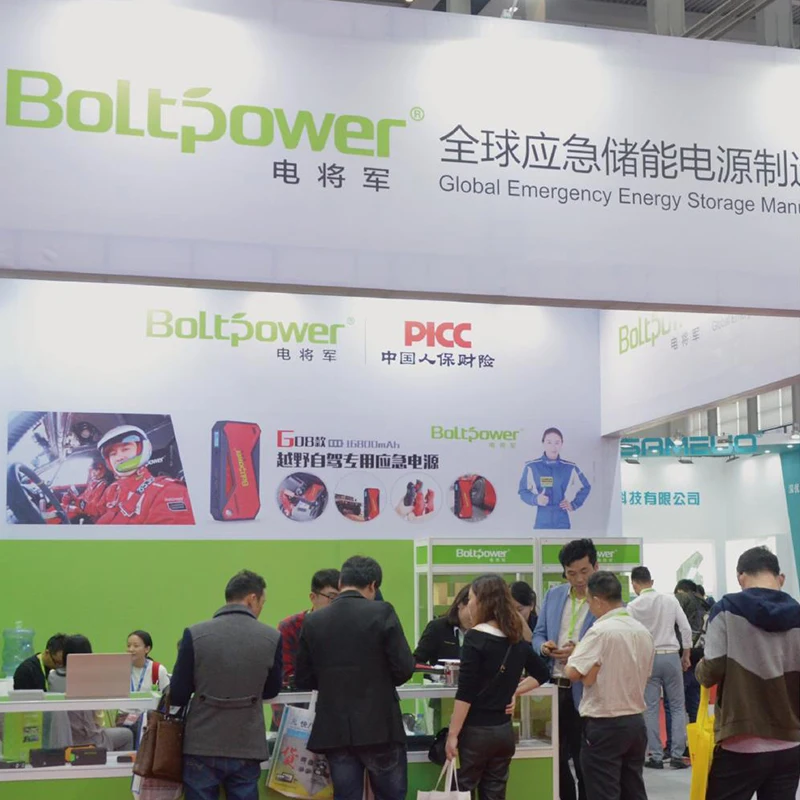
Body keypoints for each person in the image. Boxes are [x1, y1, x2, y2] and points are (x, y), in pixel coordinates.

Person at [296, 556, 415, 800]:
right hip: (380, 727)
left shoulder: (313, 621)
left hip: (335, 729)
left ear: (341, 582)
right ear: (373, 586)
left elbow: (303, 678)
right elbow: (404, 669)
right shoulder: (383, 612)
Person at [697, 546, 800, 800]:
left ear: (740, 577)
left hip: (741, 741)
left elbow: (711, 670)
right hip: (790, 743)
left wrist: (698, 669)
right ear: (780, 578)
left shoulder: (725, 610)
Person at [171, 570, 282, 800]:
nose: (261, 608)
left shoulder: (194, 634)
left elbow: (178, 694)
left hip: (201, 744)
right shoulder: (271, 637)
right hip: (246, 744)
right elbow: (271, 690)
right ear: (252, 598)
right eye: (262, 602)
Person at [445, 575, 550, 800]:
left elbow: (465, 692)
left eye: (471, 598)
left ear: (483, 601)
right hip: (504, 731)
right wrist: (514, 691)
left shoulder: (475, 637)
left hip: (476, 732)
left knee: (463, 789)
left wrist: (453, 734)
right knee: (495, 792)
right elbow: (543, 673)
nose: (469, 604)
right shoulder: (515, 638)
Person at [565, 572, 654, 800]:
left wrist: (583, 660)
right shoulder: (642, 631)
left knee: (603, 792)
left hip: (604, 724)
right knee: (633, 791)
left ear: (597, 600)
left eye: (588, 602)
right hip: (635, 722)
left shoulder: (599, 631)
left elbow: (572, 672)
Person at [533, 538, 598, 800]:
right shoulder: (554, 595)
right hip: (553, 688)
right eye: (571, 573)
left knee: (585, 761)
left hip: (585, 690)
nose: (579, 579)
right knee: (556, 759)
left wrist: (579, 651)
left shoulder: (604, 600)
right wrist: (544, 647)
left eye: (584, 571)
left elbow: (608, 642)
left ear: (595, 566)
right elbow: (538, 634)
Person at [627, 566, 691, 770]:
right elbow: (685, 628)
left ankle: (655, 756)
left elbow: (630, 635)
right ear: (652, 581)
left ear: (634, 584)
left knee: (651, 709)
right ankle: (677, 756)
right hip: (671, 656)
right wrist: (686, 654)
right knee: (678, 706)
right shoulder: (670, 600)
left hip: (648, 659)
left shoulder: (633, 606)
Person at [94, 425, 195, 525]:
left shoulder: (169, 491)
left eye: (125, 449)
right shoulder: (113, 489)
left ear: (142, 449)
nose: (119, 457)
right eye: (113, 454)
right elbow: (95, 510)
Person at [48, 634, 134, 751]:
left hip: (63, 741)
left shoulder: (53, 677)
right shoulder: (90, 678)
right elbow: (92, 725)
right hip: (88, 740)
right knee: (127, 735)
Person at [278, 569, 340, 688]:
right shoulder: (290, 627)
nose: (338, 604)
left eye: (341, 598)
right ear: (313, 597)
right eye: (332, 597)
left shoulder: (348, 627)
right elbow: (287, 677)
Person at [518, 427, 591, 530]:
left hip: (562, 520)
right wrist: (535, 499)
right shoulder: (531, 466)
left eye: (557, 442)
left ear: (561, 444)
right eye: (549, 442)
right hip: (541, 520)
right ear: (543, 443)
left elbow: (586, 486)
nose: (553, 446)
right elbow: (523, 491)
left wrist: (574, 504)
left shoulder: (570, 467)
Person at [414, 585, 472, 665]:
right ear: (460, 604)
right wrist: (435, 671)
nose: (474, 617)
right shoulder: (437, 627)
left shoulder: (482, 631)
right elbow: (417, 661)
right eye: (471, 610)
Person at [61, 455, 112, 522]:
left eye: (97, 470)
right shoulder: (93, 482)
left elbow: (95, 510)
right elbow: (84, 497)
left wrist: (76, 501)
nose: (93, 472)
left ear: (104, 470)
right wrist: (72, 497)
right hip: (83, 509)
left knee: (61, 514)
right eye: (92, 469)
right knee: (60, 508)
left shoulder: (104, 486)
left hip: (88, 516)